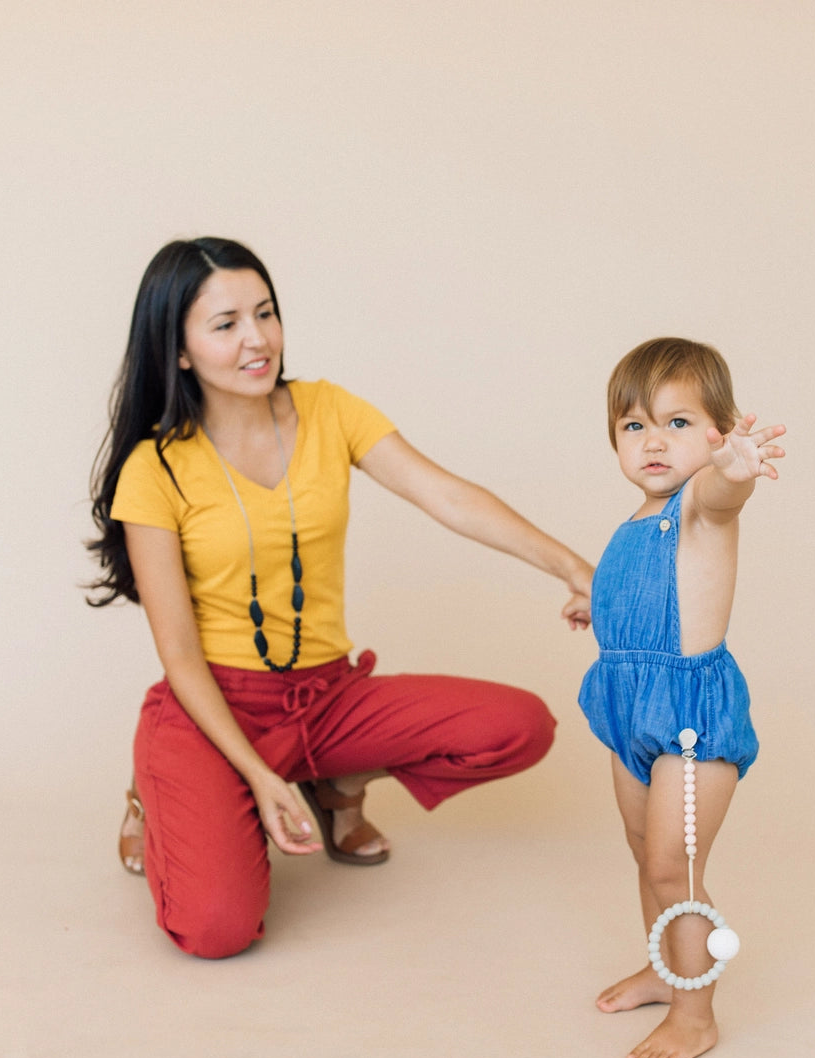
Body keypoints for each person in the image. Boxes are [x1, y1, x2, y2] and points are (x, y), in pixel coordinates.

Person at [87, 237, 593, 959]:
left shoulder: (328, 410)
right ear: (179, 351)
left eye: (265, 313)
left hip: (325, 699)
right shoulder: (155, 469)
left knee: (519, 726)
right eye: (226, 324)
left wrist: (573, 567)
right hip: (212, 707)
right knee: (217, 928)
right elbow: (180, 656)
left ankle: (337, 782)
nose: (257, 339)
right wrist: (257, 776)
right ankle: (156, 791)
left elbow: (445, 495)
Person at [578, 338, 785, 1058]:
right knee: (645, 854)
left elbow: (724, 498)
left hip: (690, 715)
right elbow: (639, 596)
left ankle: (695, 1016)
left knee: (675, 867)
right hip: (627, 708)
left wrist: (734, 470)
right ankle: (666, 968)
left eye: (678, 423)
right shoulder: (635, 520)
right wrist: (596, 606)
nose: (654, 442)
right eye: (634, 426)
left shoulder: (699, 504)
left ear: (718, 430)